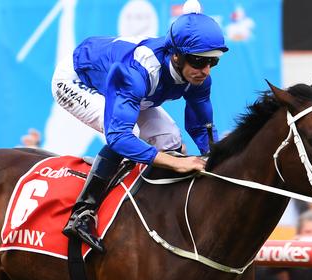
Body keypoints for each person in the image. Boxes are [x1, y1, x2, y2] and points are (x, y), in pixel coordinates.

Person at [51, 1, 227, 251]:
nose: (205, 70)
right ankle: (83, 213)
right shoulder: (138, 72)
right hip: (78, 80)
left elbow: (200, 127)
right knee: (129, 133)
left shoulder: (197, 76)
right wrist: (178, 162)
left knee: (169, 138)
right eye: (199, 61)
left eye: (213, 62)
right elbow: (119, 137)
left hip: (128, 89)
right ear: (176, 55)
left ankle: (160, 206)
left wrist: (216, 157)